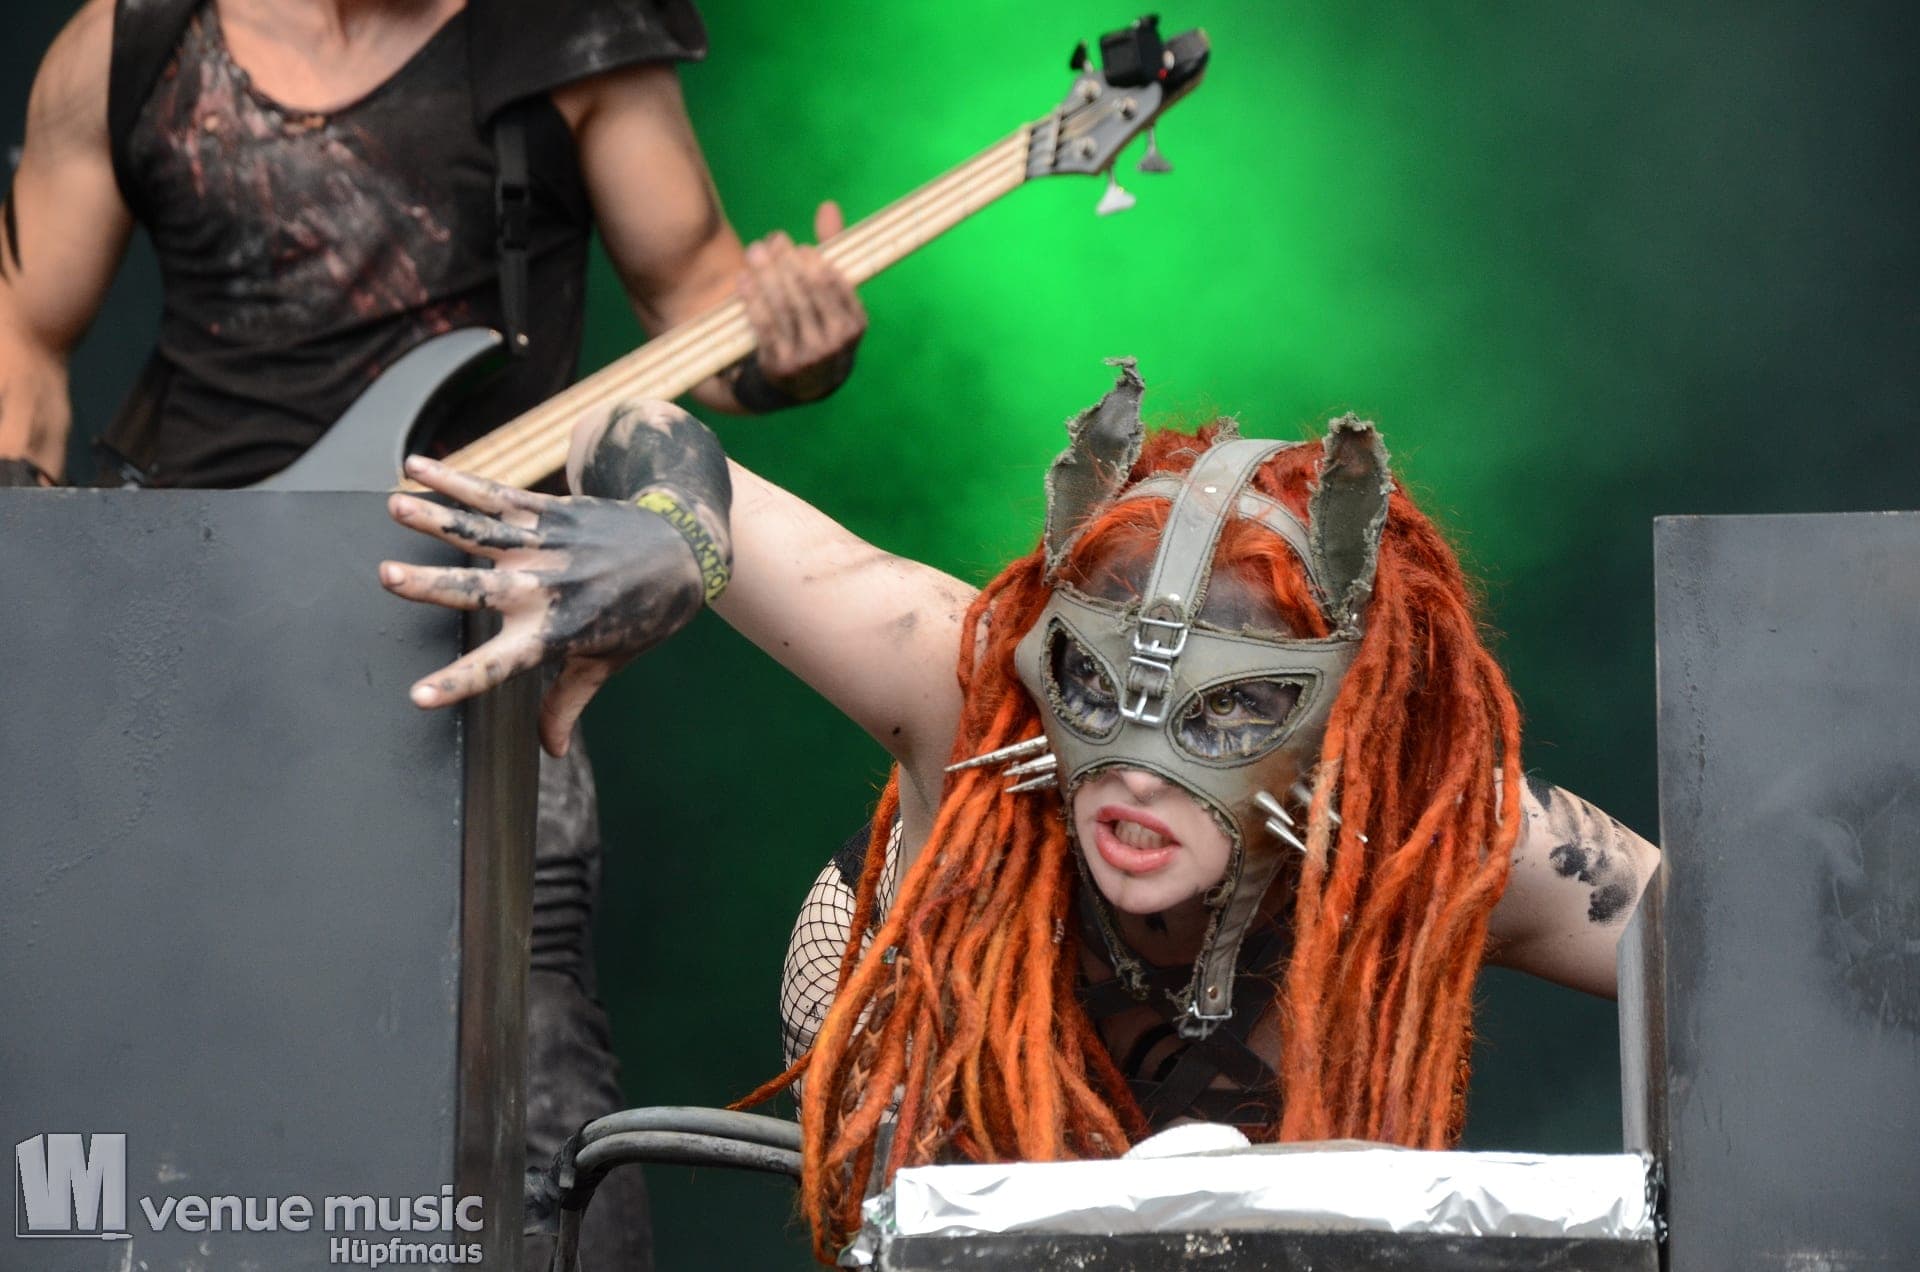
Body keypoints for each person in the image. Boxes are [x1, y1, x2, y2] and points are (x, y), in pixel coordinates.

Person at [377, 361, 1662, 1263]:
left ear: (1350, 724)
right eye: (1092, 687)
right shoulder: (969, 685)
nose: (1137, 772)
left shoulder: (1437, 830)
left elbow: (1738, 952)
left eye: (1229, 711)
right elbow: (623, 421)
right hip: (942, 1081)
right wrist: (674, 536)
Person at [0, 1, 866, 1266]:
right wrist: (34, 598)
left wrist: (795, 349)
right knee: (163, 1060)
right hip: (186, 649)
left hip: (470, 648)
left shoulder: (572, 32)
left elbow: (699, 305)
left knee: (522, 1052)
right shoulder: (132, 42)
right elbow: (23, 336)